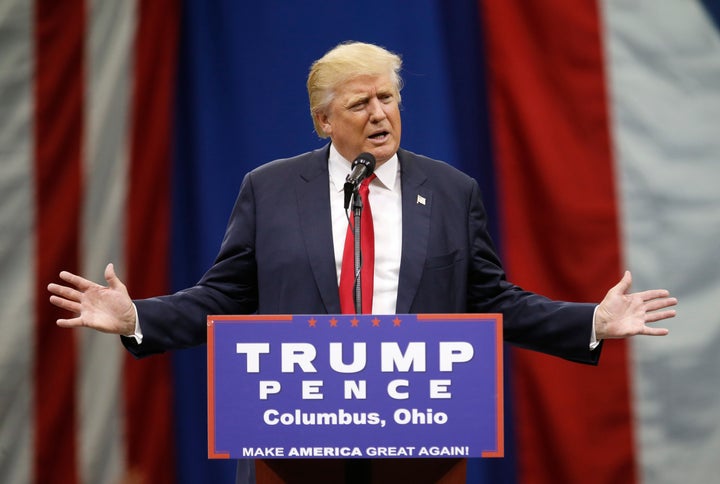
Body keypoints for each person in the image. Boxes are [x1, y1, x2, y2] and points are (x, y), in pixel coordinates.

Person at [48, 41, 676, 483]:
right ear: (324, 121)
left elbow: (493, 300)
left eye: (388, 97)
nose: (381, 114)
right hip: (293, 452)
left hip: (418, 452)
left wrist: (590, 321)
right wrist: (138, 318)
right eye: (360, 104)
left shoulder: (452, 191)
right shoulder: (269, 190)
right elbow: (223, 297)